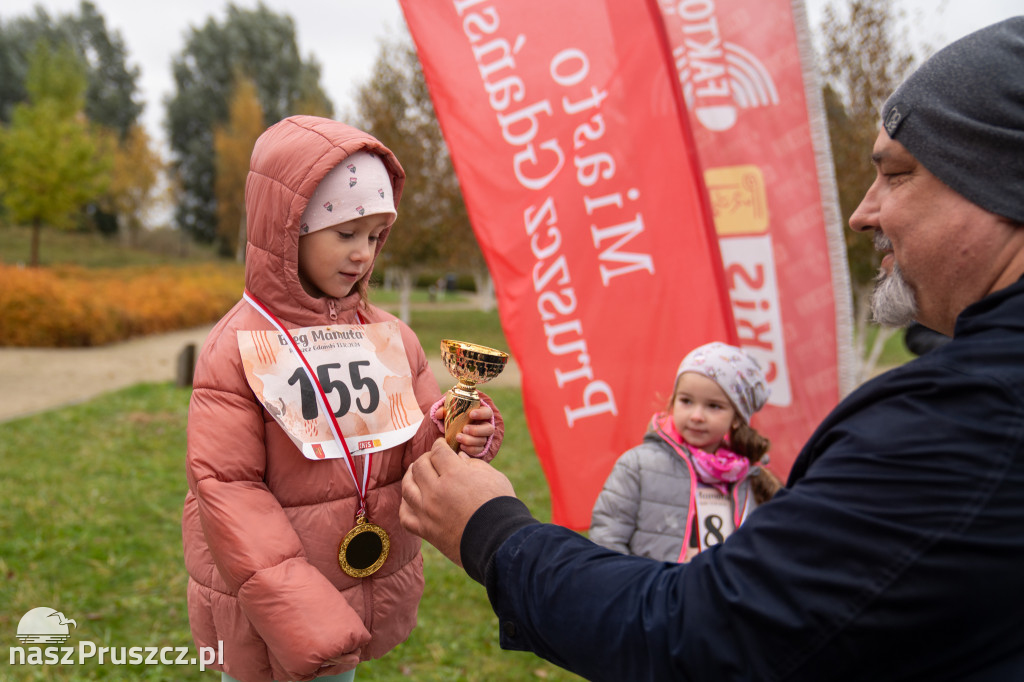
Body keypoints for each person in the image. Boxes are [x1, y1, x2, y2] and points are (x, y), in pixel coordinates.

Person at [400, 17, 1024, 681]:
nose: (864, 213)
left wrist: (494, 534)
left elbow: (701, 634)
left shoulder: (971, 420)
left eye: (898, 175)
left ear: (1001, 188)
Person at [182, 115, 504, 682]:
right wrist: (302, 614)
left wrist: (457, 429)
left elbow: (415, 444)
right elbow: (227, 491)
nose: (363, 255)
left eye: (376, 236)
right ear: (289, 227)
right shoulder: (236, 347)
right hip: (269, 615)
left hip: (357, 588)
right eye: (346, 233)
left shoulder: (389, 338)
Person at [589, 342, 780, 562]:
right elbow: (606, 539)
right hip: (653, 594)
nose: (696, 416)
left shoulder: (752, 480)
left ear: (737, 418)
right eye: (686, 401)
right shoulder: (638, 466)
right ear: (673, 402)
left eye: (713, 406)